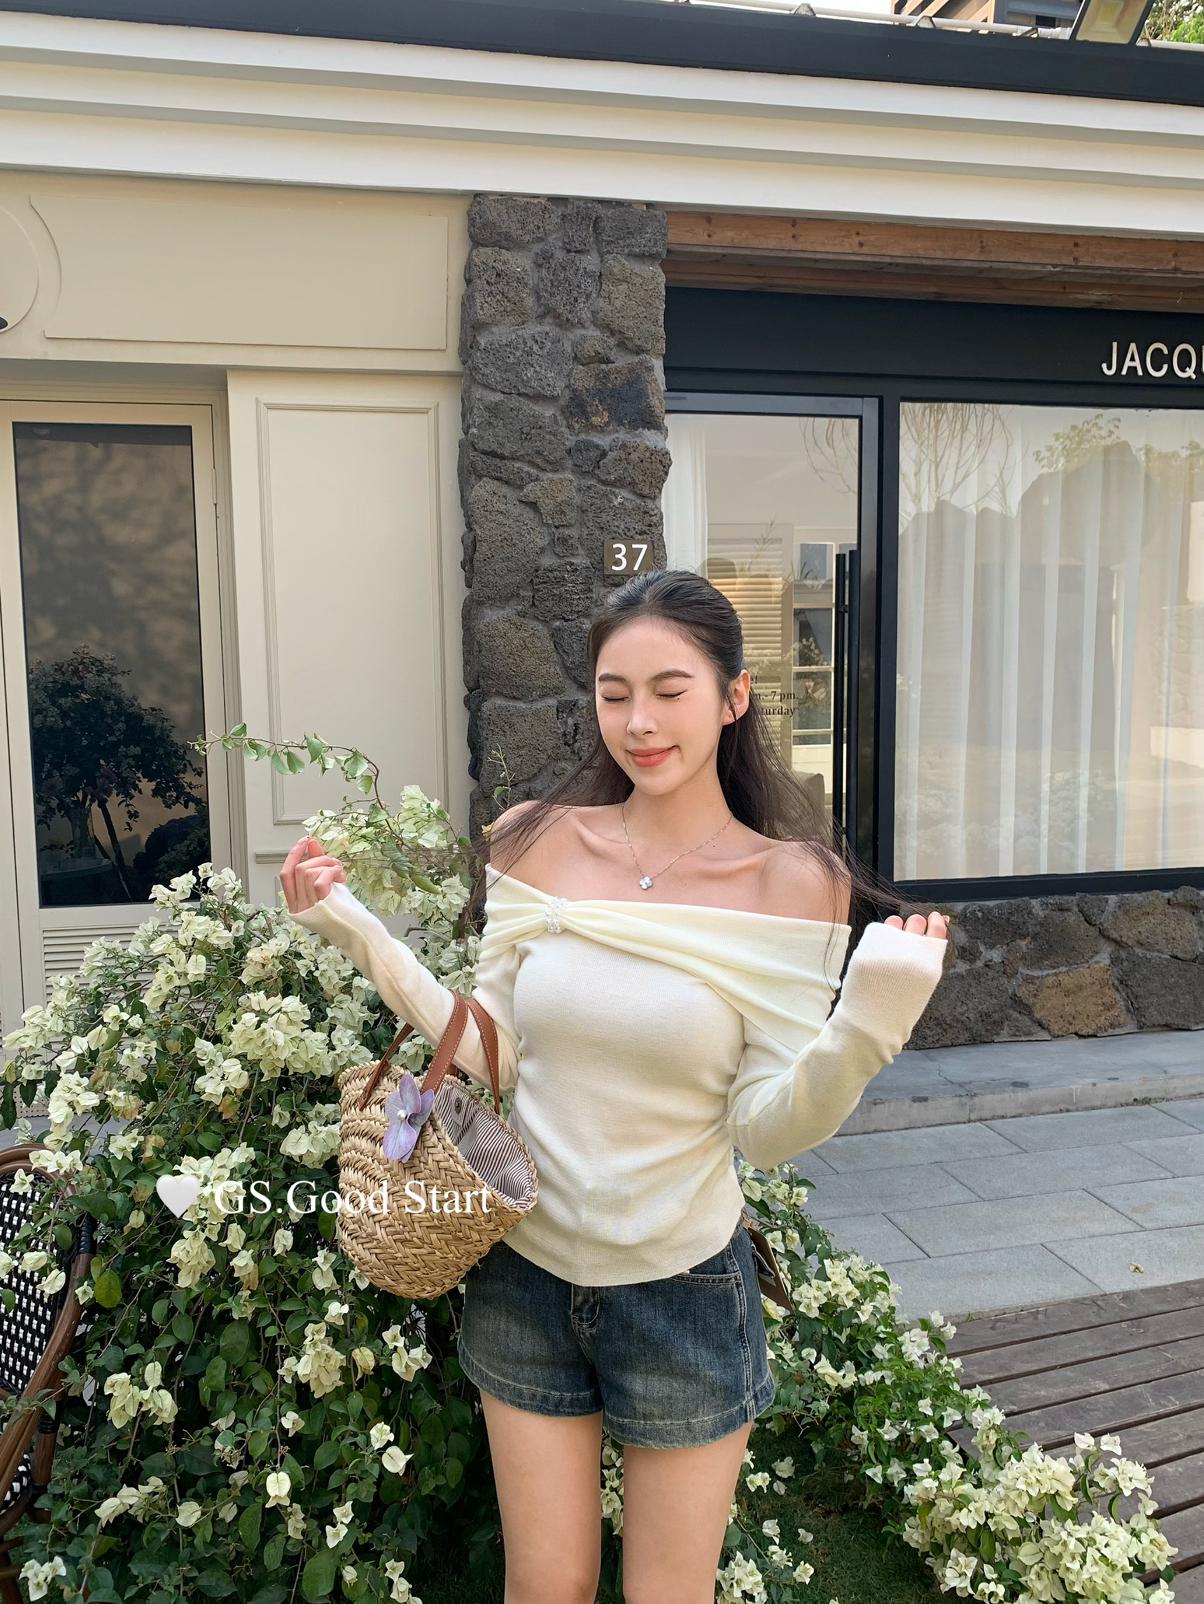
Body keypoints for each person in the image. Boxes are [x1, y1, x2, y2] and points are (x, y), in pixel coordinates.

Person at [280, 569, 948, 1604]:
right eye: (614, 692)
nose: (639, 722)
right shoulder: (535, 838)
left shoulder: (793, 881)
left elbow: (767, 1131)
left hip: (683, 1290)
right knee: (544, 1585)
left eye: (670, 690)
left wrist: (866, 1025)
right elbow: (491, 1052)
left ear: (733, 696)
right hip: (524, 1275)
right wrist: (353, 927)